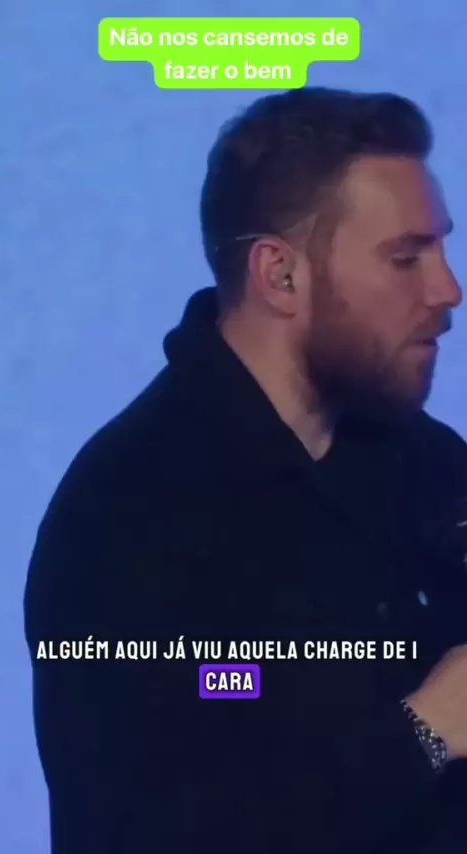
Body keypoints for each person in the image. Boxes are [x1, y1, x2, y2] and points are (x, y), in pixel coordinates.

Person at [24, 86, 467, 854]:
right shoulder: (125, 518)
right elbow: (144, 828)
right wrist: (422, 734)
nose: (447, 289)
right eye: (406, 258)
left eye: (442, 250)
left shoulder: (430, 465)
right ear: (280, 275)